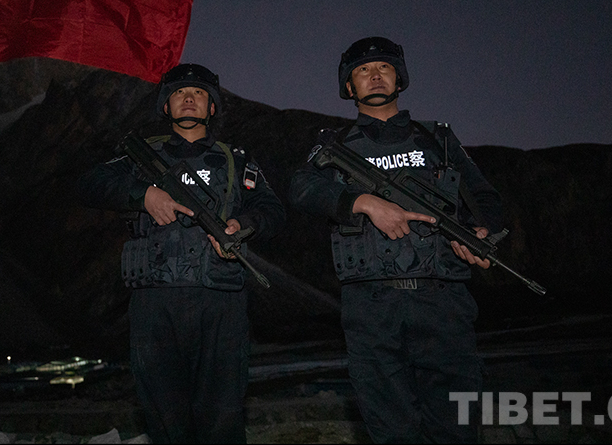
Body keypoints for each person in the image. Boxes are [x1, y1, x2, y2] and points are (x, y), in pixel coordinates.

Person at [288, 37, 504, 443]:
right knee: (390, 430)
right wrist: (363, 202)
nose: (374, 75)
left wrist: (482, 233)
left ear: (399, 79)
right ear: (349, 87)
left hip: (443, 304)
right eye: (363, 70)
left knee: (456, 429)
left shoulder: (437, 139)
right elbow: (300, 188)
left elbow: (484, 198)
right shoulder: (336, 144)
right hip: (371, 308)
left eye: (384, 67)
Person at [76, 63, 285, 444]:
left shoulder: (236, 160)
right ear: (166, 106)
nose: (189, 98)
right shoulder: (140, 157)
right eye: (179, 93)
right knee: (165, 421)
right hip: (155, 303)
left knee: (222, 419)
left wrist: (243, 225)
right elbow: (88, 183)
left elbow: (273, 210)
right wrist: (143, 195)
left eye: (199, 93)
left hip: (220, 303)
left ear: (212, 107)